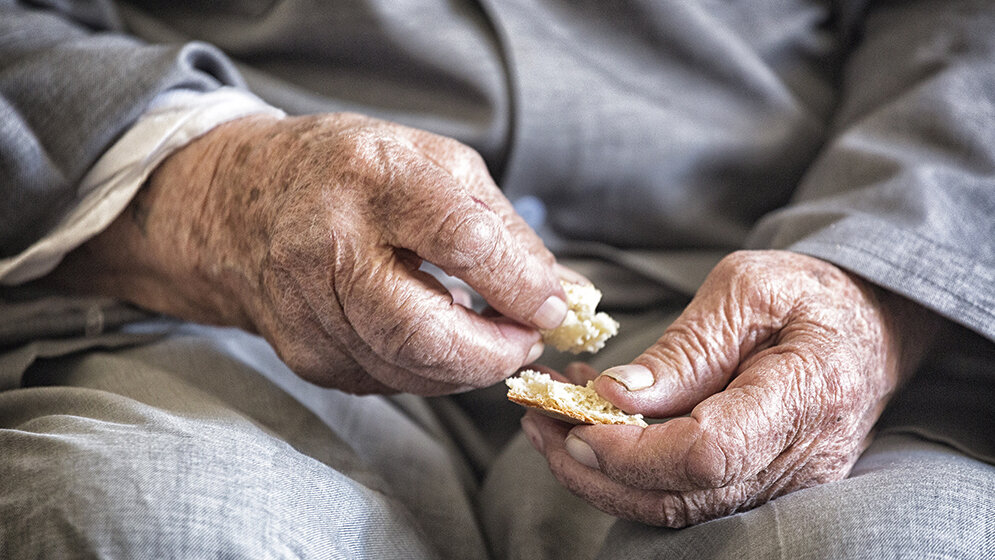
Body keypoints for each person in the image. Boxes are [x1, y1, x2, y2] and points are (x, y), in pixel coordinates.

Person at [1, 0, 993, 558]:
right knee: (142, 522)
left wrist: (873, 289)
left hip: (767, 262)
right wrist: (215, 192)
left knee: (914, 545)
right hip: (205, 276)